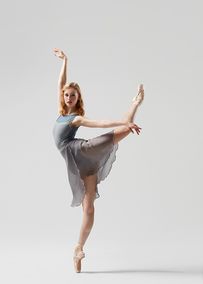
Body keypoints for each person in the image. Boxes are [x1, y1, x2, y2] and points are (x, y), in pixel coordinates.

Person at [52, 48, 144, 273]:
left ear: (77, 99)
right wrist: (65, 61)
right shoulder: (60, 111)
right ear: (63, 96)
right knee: (89, 208)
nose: (69, 97)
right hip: (75, 161)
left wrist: (117, 123)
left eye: (73, 95)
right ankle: (78, 249)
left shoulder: (75, 118)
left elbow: (99, 123)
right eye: (67, 95)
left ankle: (134, 106)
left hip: (81, 150)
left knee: (119, 132)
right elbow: (61, 82)